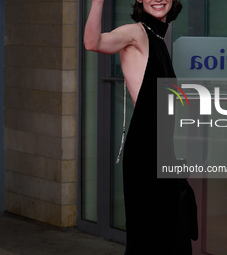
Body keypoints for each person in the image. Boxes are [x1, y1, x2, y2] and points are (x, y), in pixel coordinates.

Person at [84, 1, 198, 254]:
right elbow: (93, 43)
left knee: (171, 231)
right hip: (146, 151)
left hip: (161, 148)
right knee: (152, 234)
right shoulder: (136, 33)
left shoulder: (159, 38)